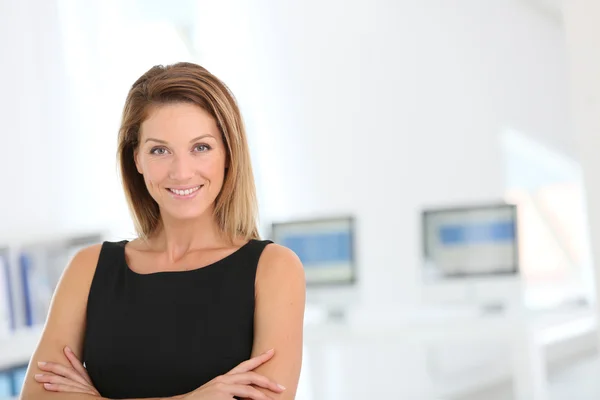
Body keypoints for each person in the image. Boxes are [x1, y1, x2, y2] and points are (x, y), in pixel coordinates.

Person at [20, 62, 306, 400]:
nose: (181, 172)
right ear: (137, 159)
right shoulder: (88, 268)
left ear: (229, 154)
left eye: (201, 147)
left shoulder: (274, 269)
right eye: (160, 150)